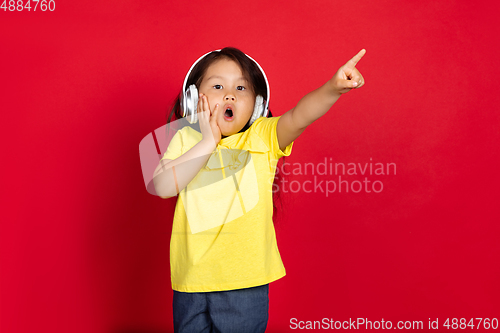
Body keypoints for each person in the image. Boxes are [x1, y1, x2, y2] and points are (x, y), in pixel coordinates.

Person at [152, 47, 365, 333]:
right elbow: (163, 186)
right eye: (217, 86)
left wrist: (332, 88)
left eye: (241, 88)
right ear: (193, 99)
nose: (229, 95)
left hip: (245, 283)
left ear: (256, 104)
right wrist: (207, 142)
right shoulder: (186, 138)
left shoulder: (263, 136)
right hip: (190, 280)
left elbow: (301, 115)